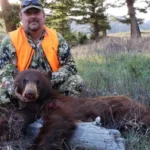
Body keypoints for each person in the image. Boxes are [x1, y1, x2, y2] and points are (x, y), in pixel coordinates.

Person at [0, 0, 85, 104]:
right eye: (28, 13)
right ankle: (18, 114)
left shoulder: (56, 38)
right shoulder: (10, 41)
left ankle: (63, 113)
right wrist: (14, 91)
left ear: (43, 16)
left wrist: (49, 81)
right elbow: (5, 73)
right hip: (22, 89)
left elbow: (70, 66)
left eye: (36, 12)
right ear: (21, 17)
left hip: (50, 87)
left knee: (76, 82)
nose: (33, 16)